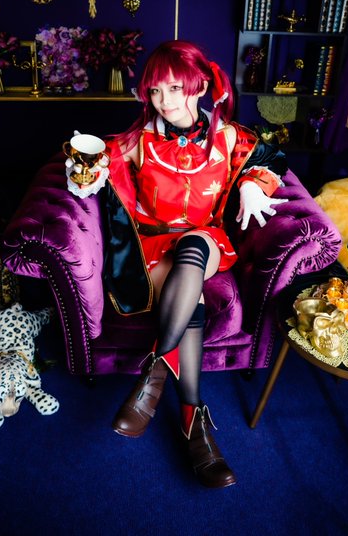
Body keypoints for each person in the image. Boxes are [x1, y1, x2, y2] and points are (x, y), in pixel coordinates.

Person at [65, 40, 288, 489]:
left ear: (200, 86)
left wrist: (252, 184)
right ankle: (193, 419)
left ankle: (151, 377)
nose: (164, 101)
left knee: (194, 248)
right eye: (155, 91)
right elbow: (94, 166)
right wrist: (84, 173)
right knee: (190, 299)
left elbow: (273, 158)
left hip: (205, 241)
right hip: (154, 248)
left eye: (174, 89)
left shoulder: (230, 137)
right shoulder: (138, 141)